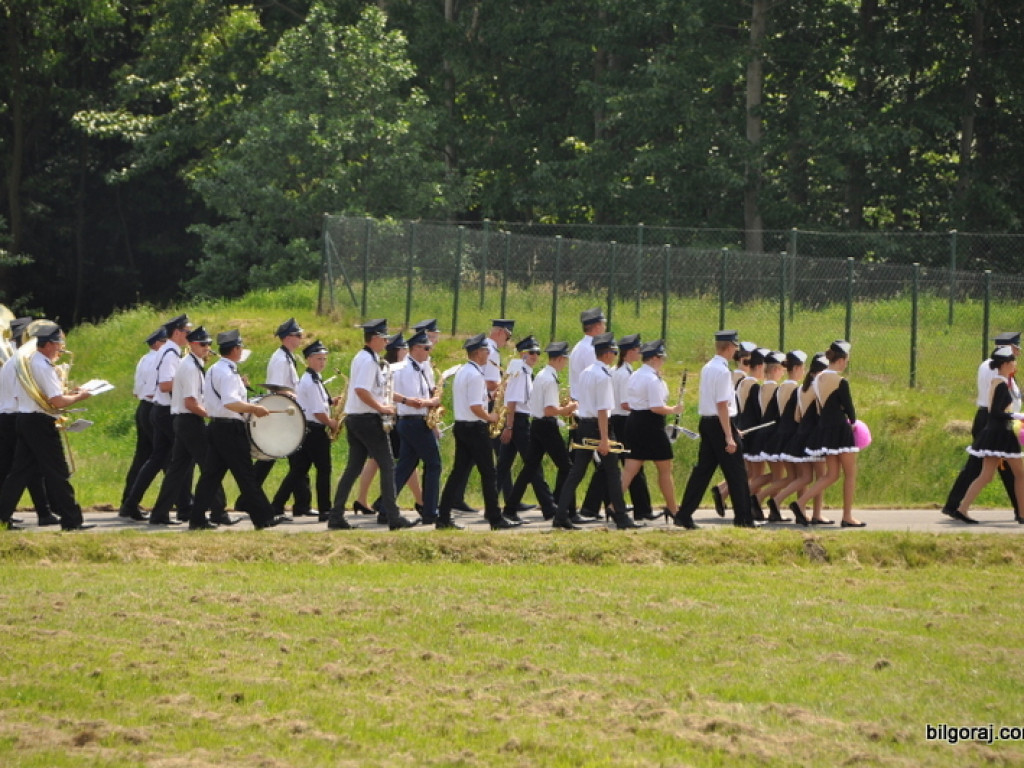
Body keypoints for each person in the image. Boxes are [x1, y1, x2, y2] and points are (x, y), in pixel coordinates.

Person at [326, 319, 419, 531]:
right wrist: (382, 408)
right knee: (388, 466)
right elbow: (361, 390)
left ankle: (336, 515)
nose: (387, 342)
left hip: (357, 418)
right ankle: (393, 516)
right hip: (368, 419)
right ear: (375, 338)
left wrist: (402, 400)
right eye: (384, 338)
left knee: (353, 468)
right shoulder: (368, 361)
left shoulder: (367, 358)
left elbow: (376, 389)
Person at [0, 322, 94, 531]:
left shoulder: (29, 360)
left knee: (19, 472)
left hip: (26, 418)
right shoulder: (42, 365)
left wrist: (69, 394)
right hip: (39, 422)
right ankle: (71, 520)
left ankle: (2, 516)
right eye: (59, 343)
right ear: (50, 344)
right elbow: (57, 402)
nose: (61, 347)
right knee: (58, 471)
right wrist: (82, 396)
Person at [188, 330, 284, 530]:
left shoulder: (215, 369)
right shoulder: (228, 372)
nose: (241, 351)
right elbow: (231, 402)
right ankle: (263, 517)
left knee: (211, 476)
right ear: (235, 350)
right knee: (245, 474)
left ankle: (197, 518)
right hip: (230, 429)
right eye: (240, 347)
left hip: (216, 427)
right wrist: (254, 408)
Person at [147, 326, 232, 529]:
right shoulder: (191, 367)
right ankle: (217, 512)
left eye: (209, 344)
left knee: (177, 469)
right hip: (189, 420)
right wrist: (212, 415)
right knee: (210, 467)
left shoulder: (191, 364)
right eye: (203, 344)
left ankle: (159, 513)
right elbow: (191, 403)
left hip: (183, 421)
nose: (207, 348)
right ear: (192, 344)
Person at [554, 332, 638, 530]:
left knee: (577, 472)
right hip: (598, 426)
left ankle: (560, 515)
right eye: (614, 352)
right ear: (607, 354)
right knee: (612, 471)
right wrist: (604, 439)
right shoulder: (603, 376)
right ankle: (621, 516)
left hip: (583, 423)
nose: (615, 355)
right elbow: (602, 409)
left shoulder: (587, 372)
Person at [436, 333, 520, 530]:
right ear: (478, 353)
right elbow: (475, 407)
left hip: (462, 426)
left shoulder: (465, 371)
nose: (488, 352)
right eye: (485, 350)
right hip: (474, 428)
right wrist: (491, 417)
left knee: (458, 472)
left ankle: (443, 516)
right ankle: (495, 518)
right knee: (489, 473)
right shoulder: (474, 375)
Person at [675, 330, 756, 529]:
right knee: (737, 473)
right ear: (729, 347)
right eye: (734, 347)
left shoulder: (708, 367)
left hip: (709, 422)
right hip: (721, 423)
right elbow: (722, 405)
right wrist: (729, 435)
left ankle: (684, 514)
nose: (735, 351)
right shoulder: (721, 371)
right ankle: (744, 518)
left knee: (703, 471)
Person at [941, 332, 1022, 523]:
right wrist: (1014, 415)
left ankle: (955, 505)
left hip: (995, 419)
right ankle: (1019, 511)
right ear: (1007, 348)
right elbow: (999, 398)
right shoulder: (995, 370)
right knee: (996, 468)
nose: (1019, 351)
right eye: (1016, 347)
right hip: (992, 419)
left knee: (984, 468)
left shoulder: (997, 367)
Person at [119, 313, 190, 521]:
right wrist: (192, 382)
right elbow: (165, 385)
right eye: (187, 332)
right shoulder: (170, 353)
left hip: (155, 408)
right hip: (164, 410)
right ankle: (184, 505)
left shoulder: (165, 352)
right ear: (177, 333)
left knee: (157, 459)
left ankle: (131, 503)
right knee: (178, 459)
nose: (189, 335)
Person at [501, 341, 577, 521]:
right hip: (545, 426)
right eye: (564, 360)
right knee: (567, 468)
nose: (565, 363)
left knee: (530, 468)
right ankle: (565, 511)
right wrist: (567, 409)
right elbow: (549, 410)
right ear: (559, 359)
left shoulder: (541, 375)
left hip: (536, 424)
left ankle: (511, 508)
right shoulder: (549, 379)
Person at [792, 340, 864, 527]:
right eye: (846, 360)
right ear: (841, 360)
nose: (846, 363)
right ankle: (847, 516)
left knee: (831, 475)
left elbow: (819, 407)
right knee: (850, 474)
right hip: (840, 429)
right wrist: (854, 423)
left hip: (825, 430)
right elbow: (849, 409)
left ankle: (800, 502)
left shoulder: (818, 379)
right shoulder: (841, 381)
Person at [273, 339, 340, 523]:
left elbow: (316, 404)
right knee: (324, 469)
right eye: (319, 359)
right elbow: (317, 412)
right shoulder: (310, 381)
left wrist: (331, 401)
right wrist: (331, 422)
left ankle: (276, 505)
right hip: (315, 430)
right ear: (309, 359)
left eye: (324, 359)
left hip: (309, 429)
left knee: (299, 470)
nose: (322, 362)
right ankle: (325, 509)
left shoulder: (314, 379)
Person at [247, 317, 307, 517]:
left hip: (288, 411)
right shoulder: (281, 359)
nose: (301, 339)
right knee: (274, 458)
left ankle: (299, 503)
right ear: (288, 337)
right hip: (284, 413)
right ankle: (278, 503)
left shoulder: (288, 357)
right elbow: (277, 390)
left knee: (286, 460)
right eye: (298, 335)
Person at [0, 316, 57, 526]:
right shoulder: (21, 363)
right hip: (17, 416)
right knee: (22, 470)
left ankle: (43, 512)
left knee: (24, 468)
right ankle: (41, 512)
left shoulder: (12, 361)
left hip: (10, 416)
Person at [620, 339, 683, 522]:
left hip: (635, 421)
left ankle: (614, 505)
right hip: (651, 424)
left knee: (630, 468)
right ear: (655, 358)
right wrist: (673, 410)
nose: (663, 361)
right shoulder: (652, 379)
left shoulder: (637, 374)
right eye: (662, 358)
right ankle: (673, 508)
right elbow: (656, 407)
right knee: (664, 467)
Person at [494, 334, 556, 522]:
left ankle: (494, 506)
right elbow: (512, 402)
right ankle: (549, 507)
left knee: (503, 467)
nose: (535, 356)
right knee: (533, 465)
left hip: (518, 422)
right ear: (522, 354)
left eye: (537, 352)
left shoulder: (526, 371)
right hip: (517, 423)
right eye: (531, 352)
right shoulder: (521, 372)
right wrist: (510, 427)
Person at [391, 329, 443, 526]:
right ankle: (430, 512)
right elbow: (418, 401)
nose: (429, 351)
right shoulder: (405, 369)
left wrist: (435, 399)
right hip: (413, 421)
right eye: (426, 348)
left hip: (415, 421)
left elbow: (426, 397)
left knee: (405, 466)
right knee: (434, 464)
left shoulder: (421, 368)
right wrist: (432, 401)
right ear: (415, 349)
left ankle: (383, 506)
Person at [119, 326, 167, 520]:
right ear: (156, 344)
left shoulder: (145, 359)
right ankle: (182, 502)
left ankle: (128, 501)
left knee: (144, 458)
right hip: (154, 407)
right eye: (164, 342)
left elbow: (137, 390)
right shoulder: (158, 359)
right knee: (162, 458)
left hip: (144, 408)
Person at [757, 350, 807, 522]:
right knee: (800, 476)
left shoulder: (781, 388)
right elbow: (794, 416)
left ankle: (774, 506)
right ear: (798, 368)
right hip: (791, 436)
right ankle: (763, 499)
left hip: (780, 436)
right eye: (803, 368)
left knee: (793, 477)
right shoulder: (794, 388)